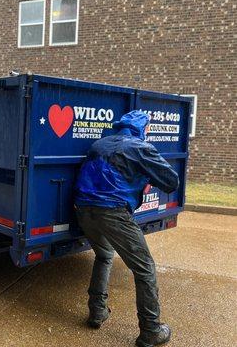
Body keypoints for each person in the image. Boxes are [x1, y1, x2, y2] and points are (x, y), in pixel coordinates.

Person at [74, 110, 179, 347]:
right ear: (144, 128)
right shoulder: (141, 147)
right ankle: (151, 330)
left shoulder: (99, 144)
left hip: (83, 209)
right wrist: (146, 178)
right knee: (145, 269)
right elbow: (172, 182)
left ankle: (97, 312)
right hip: (113, 212)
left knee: (104, 255)